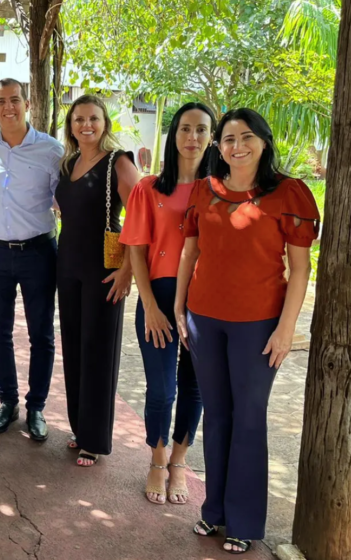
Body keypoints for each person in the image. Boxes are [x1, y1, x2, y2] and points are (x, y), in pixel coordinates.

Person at [176, 109, 318, 554]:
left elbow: (299, 270)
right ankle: (213, 512)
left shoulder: (288, 194)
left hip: (258, 327)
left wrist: (286, 330)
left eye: (246, 137)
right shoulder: (204, 190)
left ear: (263, 141)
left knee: (249, 419)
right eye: (229, 138)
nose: (237, 146)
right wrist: (179, 309)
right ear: (219, 146)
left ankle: (244, 521)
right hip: (204, 321)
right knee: (216, 416)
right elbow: (188, 254)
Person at [121, 102, 215, 504]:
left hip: (206, 299)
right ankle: (157, 460)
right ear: (173, 134)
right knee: (162, 388)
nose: (192, 138)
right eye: (185, 129)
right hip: (158, 295)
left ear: (211, 137)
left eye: (201, 130)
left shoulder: (219, 191)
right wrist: (150, 305)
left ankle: (179, 461)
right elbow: (137, 251)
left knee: (194, 386)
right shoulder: (149, 187)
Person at [0, 79, 63, 441]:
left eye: (14, 100)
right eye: (1, 101)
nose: (8, 107)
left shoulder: (51, 150)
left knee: (41, 334)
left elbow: (68, 203)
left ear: (28, 105)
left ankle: (36, 407)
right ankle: (8, 402)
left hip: (39, 253)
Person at [55, 94, 139, 467]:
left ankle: (95, 438)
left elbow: (140, 221)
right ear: (70, 126)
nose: (85, 125)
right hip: (68, 264)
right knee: (74, 348)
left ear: (104, 123)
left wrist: (127, 272)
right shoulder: (68, 163)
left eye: (93, 118)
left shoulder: (118, 163)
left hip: (105, 270)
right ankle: (79, 427)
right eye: (78, 119)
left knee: (98, 352)